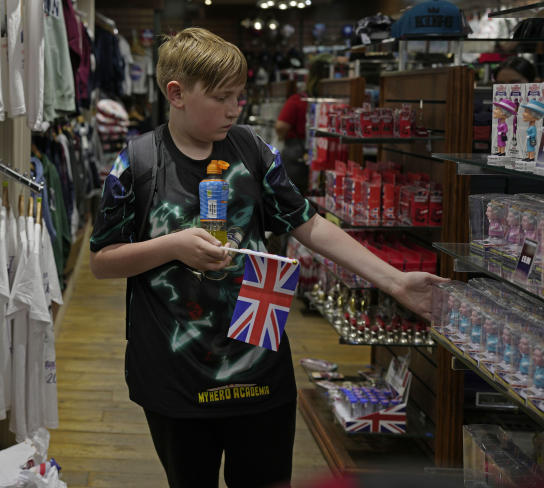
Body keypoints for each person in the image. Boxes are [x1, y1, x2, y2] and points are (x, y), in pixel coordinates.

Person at [89, 27, 442, 488]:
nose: (236, 109)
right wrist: (173, 245)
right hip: (174, 376)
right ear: (176, 93)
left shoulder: (252, 150)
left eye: (241, 96)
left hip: (259, 369)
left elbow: (309, 224)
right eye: (222, 98)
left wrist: (394, 282)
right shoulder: (137, 162)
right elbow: (102, 260)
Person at [274, 57, 329, 192]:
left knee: (294, 198)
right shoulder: (333, 100)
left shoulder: (298, 100)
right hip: (326, 152)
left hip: (297, 155)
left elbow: (281, 126)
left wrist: (281, 138)